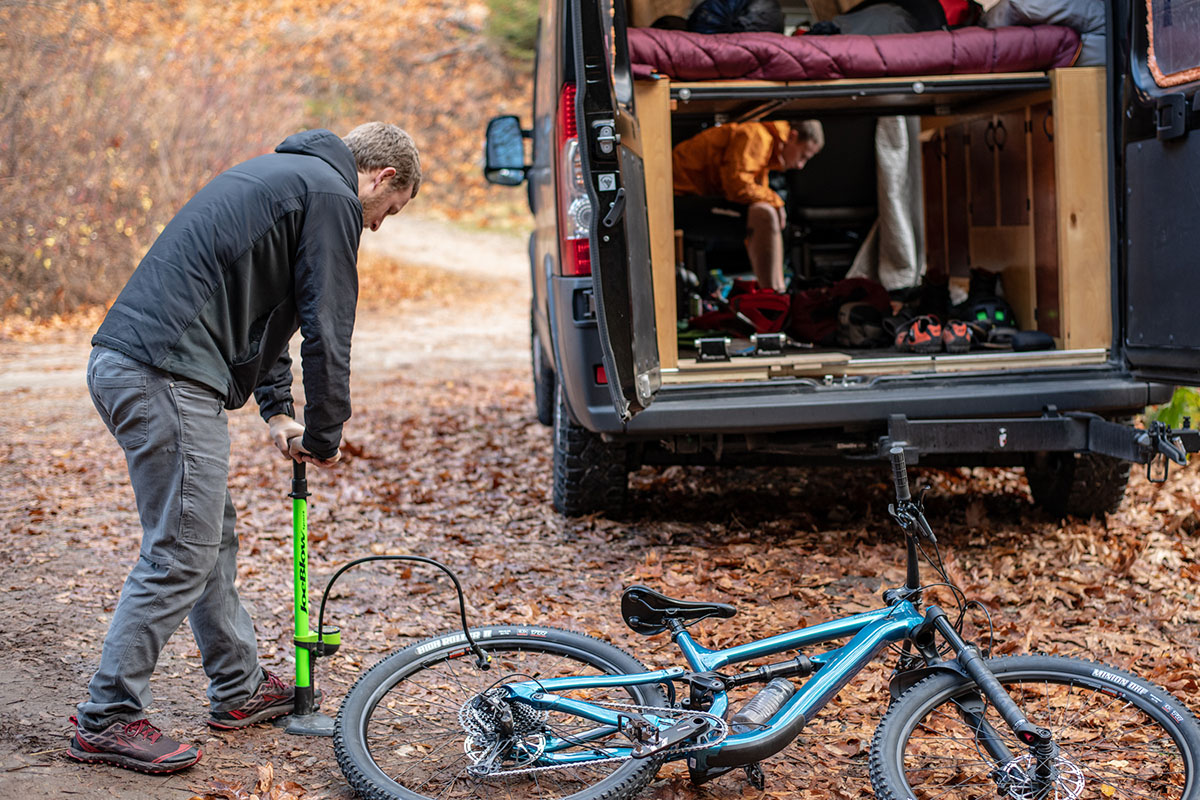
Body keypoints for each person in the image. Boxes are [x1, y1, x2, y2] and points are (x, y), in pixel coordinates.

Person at [69, 123, 420, 774]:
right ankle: (108, 718)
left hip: (146, 367)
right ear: (383, 178)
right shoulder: (332, 197)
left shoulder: (290, 180)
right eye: (387, 214)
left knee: (210, 535)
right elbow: (327, 324)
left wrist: (281, 411)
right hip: (164, 374)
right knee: (181, 550)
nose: (376, 227)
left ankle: (239, 686)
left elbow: (270, 315)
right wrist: (325, 434)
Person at [672, 120, 824, 292]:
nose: (799, 165)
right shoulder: (757, 136)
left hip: (696, 199)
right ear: (793, 137)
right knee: (763, 214)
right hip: (676, 201)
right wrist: (776, 202)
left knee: (766, 213)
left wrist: (774, 205)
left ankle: (779, 293)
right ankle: (773, 296)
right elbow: (737, 187)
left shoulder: (768, 148)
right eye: (803, 156)